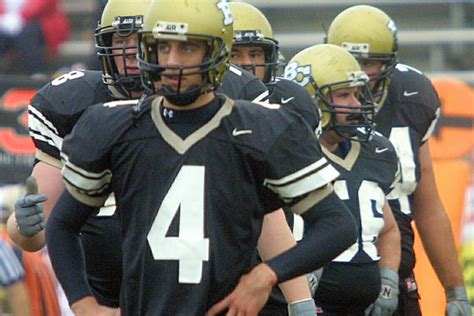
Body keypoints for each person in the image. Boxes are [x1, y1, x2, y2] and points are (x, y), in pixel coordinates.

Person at [45, 0, 358, 315]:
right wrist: (84, 305)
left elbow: (337, 225)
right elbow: (61, 225)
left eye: (187, 49)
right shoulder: (114, 126)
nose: (171, 61)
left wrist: (267, 273)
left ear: (216, 53)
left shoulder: (260, 127)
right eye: (162, 47)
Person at [326, 5, 472, 315]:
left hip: (399, 275)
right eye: (351, 62)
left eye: (368, 63)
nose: (359, 74)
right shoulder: (303, 105)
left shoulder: (413, 96)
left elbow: (428, 204)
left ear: (388, 64)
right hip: (329, 280)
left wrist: (455, 291)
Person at [284, 43, 401, 315]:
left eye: (358, 94)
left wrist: (388, 282)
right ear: (311, 100)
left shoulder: (375, 151)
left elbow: (389, 229)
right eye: (344, 95)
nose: (357, 104)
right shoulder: (287, 154)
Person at [0, 0, 69, 74]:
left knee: (28, 35)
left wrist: (21, 17)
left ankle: (36, 74)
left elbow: (42, 5)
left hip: (40, 24)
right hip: (5, 26)